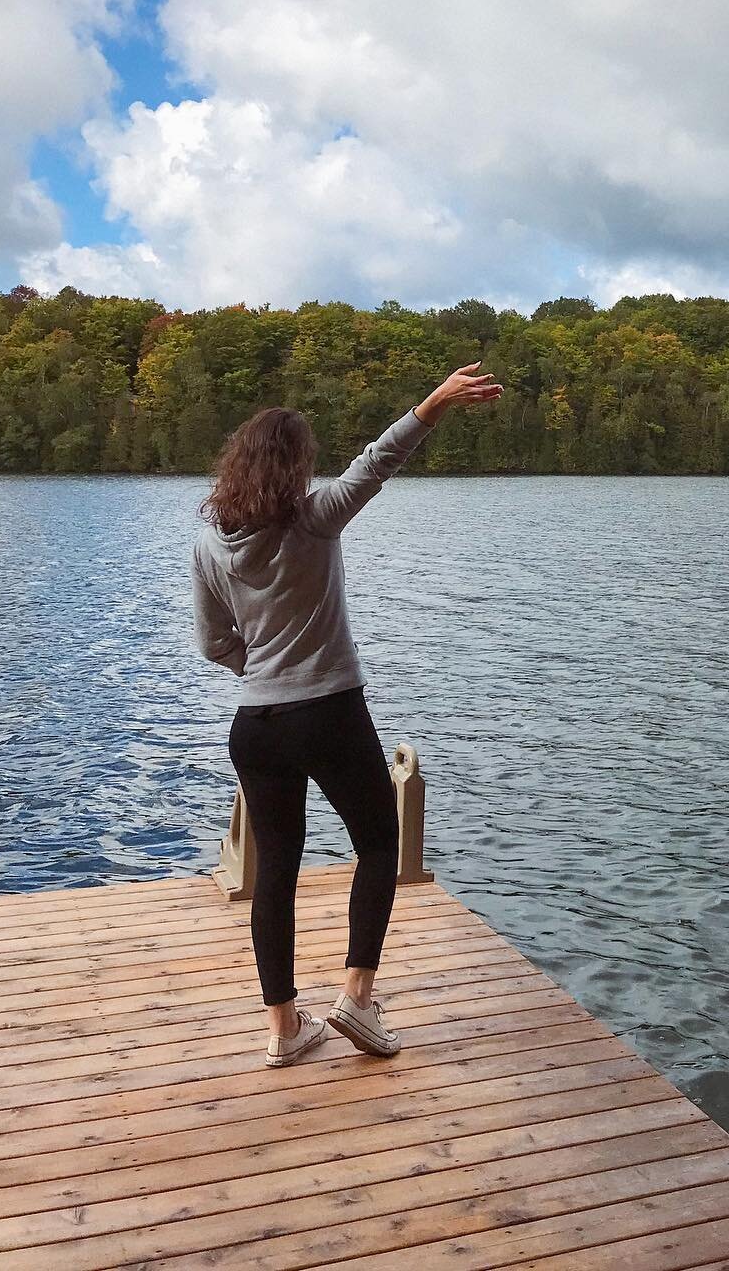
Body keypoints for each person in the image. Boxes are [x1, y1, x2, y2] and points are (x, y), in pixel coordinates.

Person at [191, 363, 503, 1068]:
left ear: (238, 463)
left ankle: (283, 1030)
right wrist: (435, 402)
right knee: (378, 846)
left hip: (256, 725)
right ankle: (356, 999)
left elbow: (213, 643)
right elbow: (378, 462)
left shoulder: (210, 542)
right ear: (295, 466)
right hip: (328, 710)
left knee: (276, 870)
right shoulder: (315, 515)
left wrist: (263, 670)